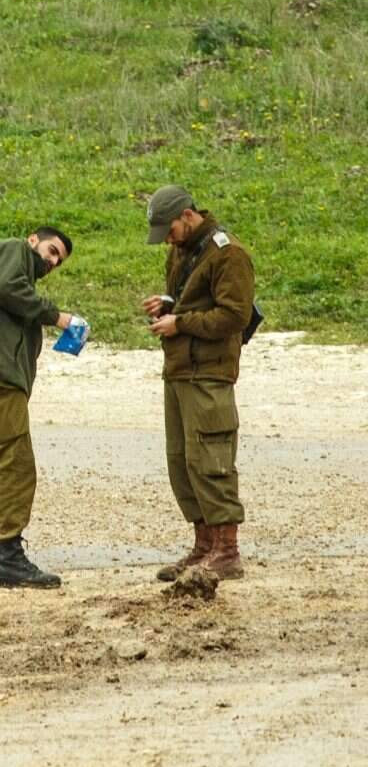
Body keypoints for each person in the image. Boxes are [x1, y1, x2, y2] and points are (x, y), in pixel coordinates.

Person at [142, 185, 254, 580]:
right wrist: (167, 305)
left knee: (211, 459)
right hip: (179, 368)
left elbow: (235, 315)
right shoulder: (183, 249)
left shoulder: (228, 254)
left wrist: (181, 323)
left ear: (188, 215)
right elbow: (192, 300)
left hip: (208, 372)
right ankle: (204, 546)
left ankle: (227, 551)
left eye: (170, 230)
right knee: (182, 462)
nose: (167, 240)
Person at [0, 228, 75, 589]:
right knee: (16, 465)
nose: (52, 261)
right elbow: (8, 289)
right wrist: (56, 316)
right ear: (33, 239)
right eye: (52, 251)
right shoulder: (12, 251)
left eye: (59, 260)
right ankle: (10, 557)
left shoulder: (3, 265)